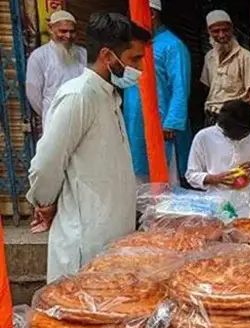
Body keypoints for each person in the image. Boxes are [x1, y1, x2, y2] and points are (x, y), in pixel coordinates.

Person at [26, 12, 150, 282]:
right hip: (86, 243)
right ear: (107, 56)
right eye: (134, 59)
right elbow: (47, 164)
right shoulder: (78, 96)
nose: (139, 68)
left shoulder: (109, 95)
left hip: (112, 237)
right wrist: (45, 203)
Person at [123, 0, 191, 186]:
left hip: (162, 124)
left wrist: (172, 122)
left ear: (150, 14)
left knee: (164, 178)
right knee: (137, 170)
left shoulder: (172, 45)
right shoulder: (133, 45)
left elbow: (180, 86)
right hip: (134, 120)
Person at [185, 99, 250, 201]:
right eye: (237, 134)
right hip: (220, 202)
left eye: (245, 133)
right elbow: (191, 175)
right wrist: (216, 179)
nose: (242, 136)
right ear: (224, 128)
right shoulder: (204, 137)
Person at [25, 10, 87, 128]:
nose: (68, 36)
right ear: (50, 29)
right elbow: (33, 94)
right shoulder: (39, 56)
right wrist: (50, 113)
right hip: (55, 122)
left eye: (72, 32)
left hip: (82, 119)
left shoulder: (83, 53)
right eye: (63, 31)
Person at [200, 10, 250, 125]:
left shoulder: (245, 57)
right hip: (212, 116)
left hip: (235, 118)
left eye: (225, 30)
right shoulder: (209, 57)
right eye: (216, 31)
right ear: (209, 32)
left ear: (232, 29)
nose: (221, 35)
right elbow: (206, 88)